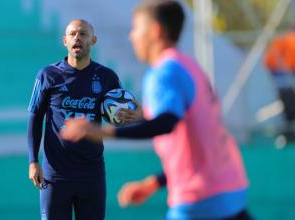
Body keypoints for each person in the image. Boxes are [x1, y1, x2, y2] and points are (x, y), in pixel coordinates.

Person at [60, 1, 251, 219]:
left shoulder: (163, 72)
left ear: (155, 31)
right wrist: (153, 183)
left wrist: (100, 131)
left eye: (136, 28)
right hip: (230, 189)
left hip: (199, 200)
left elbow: (165, 123)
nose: (132, 36)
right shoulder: (190, 67)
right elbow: (195, 144)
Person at [27, 19, 135, 220]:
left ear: (93, 40)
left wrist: (126, 117)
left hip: (91, 173)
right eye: (73, 34)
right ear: (65, 40)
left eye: (83, 34)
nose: (78, 38)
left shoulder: (106, 77)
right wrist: (33, 161)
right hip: (55, 174)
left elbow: (122, 112)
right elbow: (35, 117)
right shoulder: (48, 75)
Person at [264, 20, 295, 142]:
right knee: (293, 109)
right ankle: (292, 137)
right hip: (292, 76)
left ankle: (289, 136)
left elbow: (269, 60)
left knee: (287, 107)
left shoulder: (282, 39)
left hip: (280, 76)